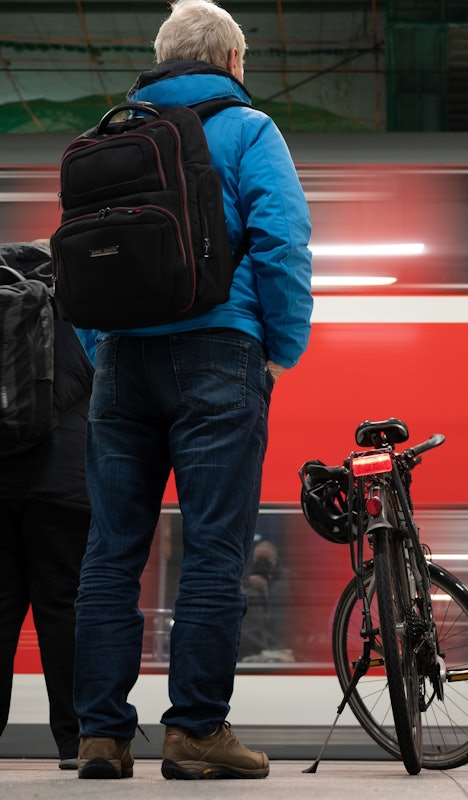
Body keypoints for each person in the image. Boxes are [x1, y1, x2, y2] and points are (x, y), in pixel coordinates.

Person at [71, 0, 313, 781]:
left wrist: (101, 350)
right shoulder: (248, 131)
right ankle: (195, 733)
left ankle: (101, 736)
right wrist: (281, 347)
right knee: (214, 549)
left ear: (161, 58)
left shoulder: (112, 135)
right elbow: (281, 238)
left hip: (120, 365)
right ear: (233, 62)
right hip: (220, 350)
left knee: (111, 553)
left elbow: (76, 264)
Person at [0, 240, 93, 771]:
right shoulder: (76, 312)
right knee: (61, 610)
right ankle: (75, 741)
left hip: (0, 483)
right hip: (61, 484)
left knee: (1, 611)